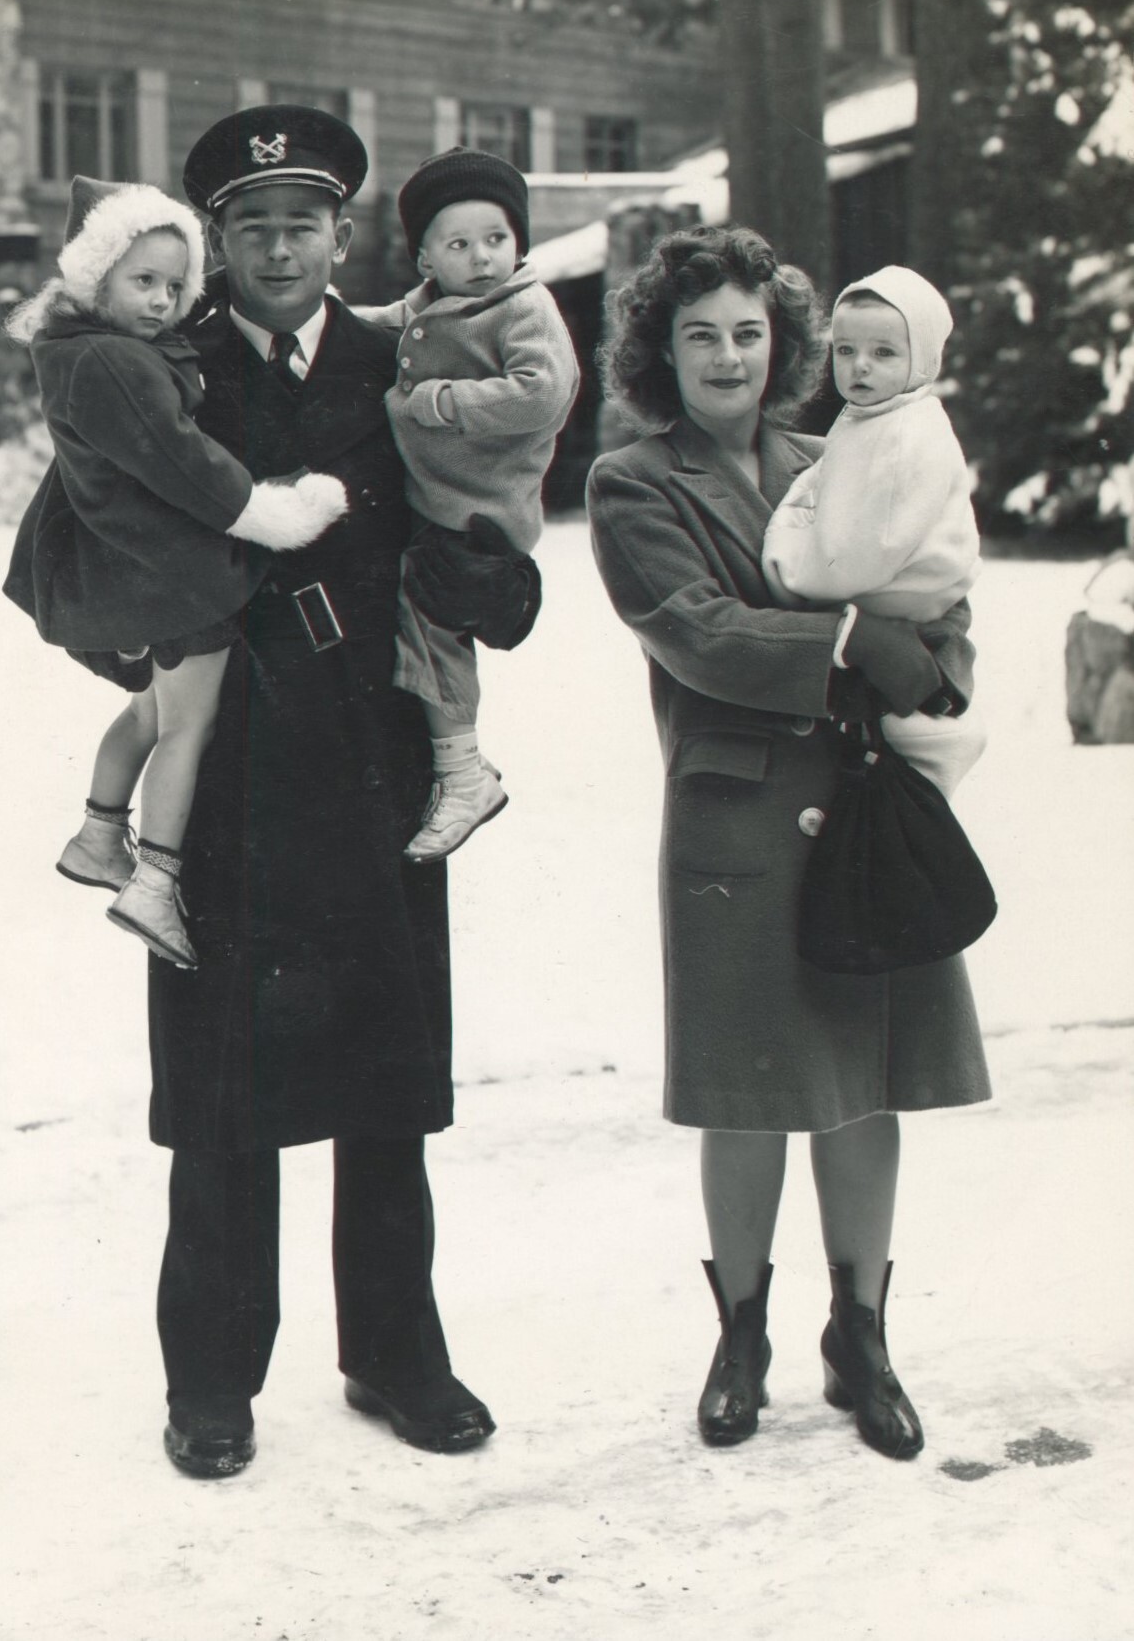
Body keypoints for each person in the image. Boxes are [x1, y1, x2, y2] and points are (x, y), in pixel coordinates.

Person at [138, 104, 537, 1478]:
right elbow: (84, 549)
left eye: (302, 222)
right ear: (218, 241)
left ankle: (395, 1353)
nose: (277, 246)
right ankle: (210, 1379)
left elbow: (478, 511)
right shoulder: (164, 368)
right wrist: (149, 676)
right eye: (250, 226)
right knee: (220, 1089)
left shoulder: (396, 357)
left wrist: (494, 579)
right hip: (227, 770)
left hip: (372, 761)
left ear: (340, 234)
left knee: (384, 1079)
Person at [587, 225, 991, 1461]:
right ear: (662, 349)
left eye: (748, 333)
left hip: (870, 809)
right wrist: (839, 642)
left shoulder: (842, 453)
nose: (726, 355)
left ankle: (856, 1334)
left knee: (867, 1087)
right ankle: (741, 1333)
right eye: (698, 333)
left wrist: (933, 662)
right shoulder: (632, 481)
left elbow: (932, 585)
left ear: (784, 346)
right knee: (747, 1087)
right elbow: (695, 628)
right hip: (737, 814)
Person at [4, 177, 347, 968]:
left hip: (139, 569)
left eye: (173, 285)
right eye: (142, 282)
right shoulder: (115, 362)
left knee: (151, 717)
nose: (161, 301)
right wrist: (273, 513)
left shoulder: (85, 348)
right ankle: (154, 882)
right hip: (177, 573)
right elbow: (185, 463)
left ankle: (98, 836)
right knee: (190, 725)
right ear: (95, 279)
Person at [356, 147, 579, 861]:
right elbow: (387, 322)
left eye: (497, 239)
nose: (483, 257)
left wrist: (440, 402)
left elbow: (542, 391)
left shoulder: (522, 306)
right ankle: (454, 767)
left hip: (481, 509)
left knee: (430, 625)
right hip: (437, 498)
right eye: (459, 244)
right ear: (426, 259)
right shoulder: (430, 303)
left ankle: (463, 774)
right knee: (412, 619)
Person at [761, 264, 985, 796]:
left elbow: (848, 562)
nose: (860, 367)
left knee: (905, 774)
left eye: (884, 353)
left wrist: (783, 556)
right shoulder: (876, 418)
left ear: (922, 359)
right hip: (900, 611)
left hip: (908, 616)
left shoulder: (907, 434)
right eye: (845, 350)